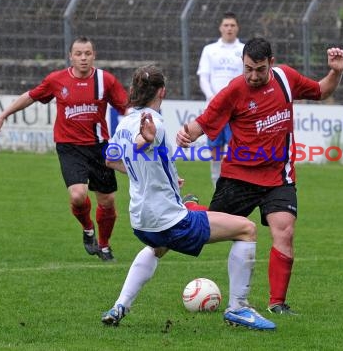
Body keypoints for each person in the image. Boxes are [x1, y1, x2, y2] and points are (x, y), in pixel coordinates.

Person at [176, 37, 343, 315]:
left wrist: (335, 72)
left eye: (260, 69)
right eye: (248, 69)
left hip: (279, 176)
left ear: (272, 63)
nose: (253, 76)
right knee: (204, 233)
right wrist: (187, 135)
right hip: (239, 177)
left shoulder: (285, 79)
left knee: (285, 231)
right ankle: (191, 209)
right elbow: (205, 121)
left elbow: (321, 91)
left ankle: (277, 303)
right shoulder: (234, 90)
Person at [101, 65, 275, 330]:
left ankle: (119, 306)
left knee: (157, 248)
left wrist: (160, 174)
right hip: (169, 219)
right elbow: (142, 141)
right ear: (162, 92)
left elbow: (111, 159)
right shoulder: (154, 123)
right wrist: (143, 141)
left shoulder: (124, 121)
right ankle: (238, 308)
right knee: (247, 229)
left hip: (141, 221)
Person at [0, 36, 128, 262]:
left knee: (107, 202)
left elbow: (127, 108)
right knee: (77, 195)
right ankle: (87, 228)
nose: (83, 58)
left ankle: (104, 245)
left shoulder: (106, 80)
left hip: (99, 147)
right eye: (78, 54)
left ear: (94, 55)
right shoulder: (57, 80)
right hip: (69, 147)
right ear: (70, 57)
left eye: (87, 53)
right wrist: (3, 115)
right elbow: (31, 96)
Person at [197, 12, 245, 188]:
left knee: (235, 150)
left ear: (237, 27)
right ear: (220, 27)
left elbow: (247, 78)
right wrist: (212, 97)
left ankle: (235, 184)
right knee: (215, 150)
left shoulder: (244, 50)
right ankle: (217, 184)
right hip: (215, 109)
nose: (229, 28)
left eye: (232, 25)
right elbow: (204, 77)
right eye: (226, 25)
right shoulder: (210, 50)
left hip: (237, 111)